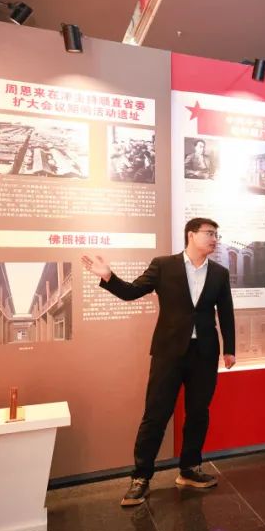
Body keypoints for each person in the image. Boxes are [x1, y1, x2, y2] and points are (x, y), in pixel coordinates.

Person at [82, 217, 236, 507]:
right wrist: (108, 277)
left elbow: (226, 312)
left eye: (216, 234)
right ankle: (141, 477)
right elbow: (132, 291)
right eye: (209, 233)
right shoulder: (164, 265)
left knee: (198, 413)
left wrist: (230, 349)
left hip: (204, 353)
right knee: (156, 415)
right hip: (168, 352)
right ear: (191, 235)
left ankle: (189, 469)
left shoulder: (219, 273)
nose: (214, 239)